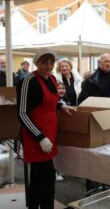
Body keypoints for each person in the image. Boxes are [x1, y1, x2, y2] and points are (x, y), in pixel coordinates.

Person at [17, 49, 73, 209]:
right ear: (36, 63)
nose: (48, 66)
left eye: (51, 62)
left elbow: (47, 102)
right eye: (44, 62)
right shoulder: (28, 81)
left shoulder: (53, 79)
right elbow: (22, 113)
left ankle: (33, 206)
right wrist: (40, 137)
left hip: (50, 134)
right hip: (35, 137)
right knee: (47, 178)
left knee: (37, 177)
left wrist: (60, 105)